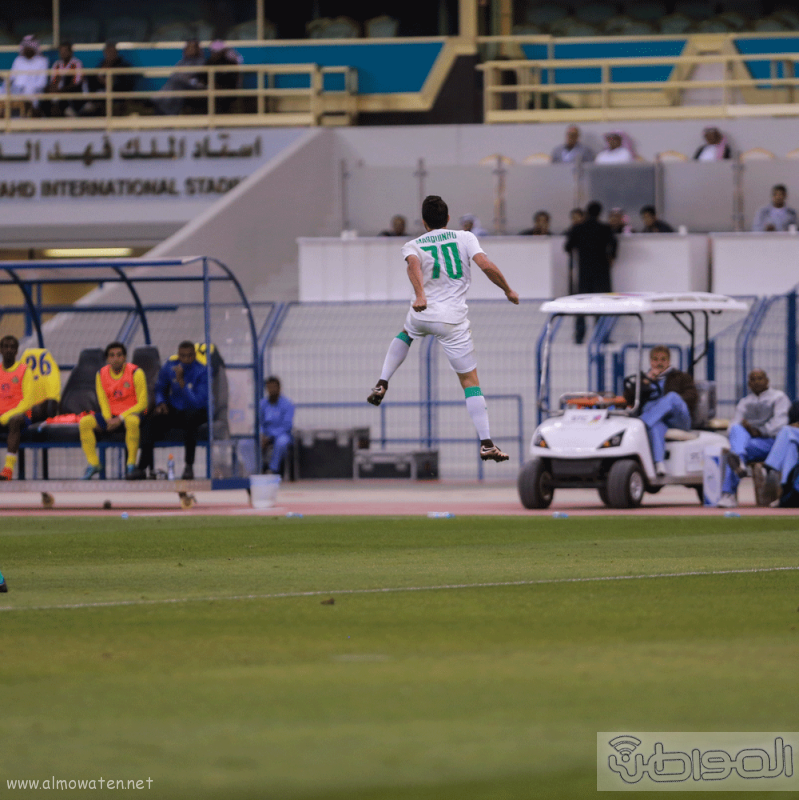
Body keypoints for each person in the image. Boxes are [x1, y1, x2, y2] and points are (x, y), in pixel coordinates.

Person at [366, 195, 519, 463]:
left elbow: (413, 265)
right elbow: (485, 264)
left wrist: (420, 295)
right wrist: (507, 289)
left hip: (422, 312)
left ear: (424, 222)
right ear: (448, 219)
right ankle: (486, 442)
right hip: (452, 321)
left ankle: (382, 381)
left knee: (406, 333)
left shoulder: (412, 244)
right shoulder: (465, 237)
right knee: (470, 382)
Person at [135, 341, 209, 480]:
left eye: (190, 356)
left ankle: (189, 466)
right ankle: (141, 467)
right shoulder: (169, 367)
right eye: (183, 356)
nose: (186, 359)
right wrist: (161, 402)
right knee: (150, 421)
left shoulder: (202, 371)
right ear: (178, 354)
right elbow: (160, 387)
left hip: (197, 411)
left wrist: (182, 382)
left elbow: (196, 401)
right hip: (176, 410)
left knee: (190, 420)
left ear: (194, 355)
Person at [717, 369, 789, 508]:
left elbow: (779, 425)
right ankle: (738, 467)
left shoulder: (778, 397)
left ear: (767, 381)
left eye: (759, 378)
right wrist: (746, 430)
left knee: (737, 450)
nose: (756, 382)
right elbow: (733, 426)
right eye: (752, 379)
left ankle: (729, 490)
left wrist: (756, 430)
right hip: (751, 444)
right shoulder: (745, 402)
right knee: (737, 430)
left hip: (772, 443)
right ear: (749, 383)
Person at [623, 345, 697, 476]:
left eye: (663, 359)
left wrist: (666, 402)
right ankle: (659, 464)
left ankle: (642, 423)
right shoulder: (643, 379)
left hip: (677, 418)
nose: (659, 363)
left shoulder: (681, 377)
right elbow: (629, 398)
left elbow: (692, 396)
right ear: (650, 361)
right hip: (658, 420)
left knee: (672, 397)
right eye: (655, 359)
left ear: (668, 361)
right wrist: (645, 383)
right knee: (656, 426)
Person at [79, 341, 147, 480]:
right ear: (107, 359)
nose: (115, 358)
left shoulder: (136, 372)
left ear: (125, 357)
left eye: (119, 355)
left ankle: (131, 465)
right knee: (85, 422)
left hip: (130, 414)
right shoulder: (101, 374)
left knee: (132, 422)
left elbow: (143, 403)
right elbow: (102, 399)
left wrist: (120, 418)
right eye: (112, 355)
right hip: (111, 415)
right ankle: (94, 464)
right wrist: (108, 419)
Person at [0, 335, 57, 481]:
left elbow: (28, 401)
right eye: (5, 346)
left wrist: (7, 416)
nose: (8, 350)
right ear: (0, 350)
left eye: (12, 347)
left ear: (17, 351)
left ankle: (8, 469)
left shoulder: (25, 370)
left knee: (15, 420)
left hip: (20, 416)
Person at [564, 200, 617, 343]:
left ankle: (579, 335)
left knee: (581, 303)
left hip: (584, 272)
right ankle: (601, 336)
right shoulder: (605, 228)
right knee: (602, 304)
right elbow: (614, 244)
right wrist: (611, 256)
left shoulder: (578, 228)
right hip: (602, 271)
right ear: (600, 213)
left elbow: (567, 247)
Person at [752, 401, 799, 507]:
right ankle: (786, 492)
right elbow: (792, 420)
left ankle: (768, 469)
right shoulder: (796, 405)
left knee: (786, 431)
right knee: (790, 447)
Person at [81, 41, 135, 116]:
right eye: (108, 51)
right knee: (85, 110)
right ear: (104, 53)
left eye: (112, 52)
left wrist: (107, 82)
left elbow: (123, 84)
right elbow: (93, 81)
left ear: (116, 52)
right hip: (99, 95)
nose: (110, 54)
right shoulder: (101, 66)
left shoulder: (123, 66)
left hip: (115, 97)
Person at [155, 39, 206, 116]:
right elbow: (174, 75)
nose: (190, 50)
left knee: (177, 85)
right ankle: (162, 105)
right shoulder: (182, 62)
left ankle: (170, 112)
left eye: (192, 48)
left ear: (197, 49)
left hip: (193, 85)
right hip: (178, 85)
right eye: (188, 48)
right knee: (173, 84)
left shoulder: (200, 61)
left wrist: (182, 78)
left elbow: (194, 77)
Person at [5, 36, 49, 116]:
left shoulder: (42, 61)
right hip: (16, 90)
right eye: (25, 47)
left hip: (34, 91)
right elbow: (11, 77)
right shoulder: (18, 60)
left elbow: (42, 82)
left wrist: (27, 88)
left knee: (28, 92)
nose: (26, 49)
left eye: (29, 47)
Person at [260, 376, 294, 475]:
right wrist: (262, 435)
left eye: (274, 387)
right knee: (246, 443)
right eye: (269, 387)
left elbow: (287, 425)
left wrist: (270, 437)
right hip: (265, 435)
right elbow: (259, 422)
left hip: (281, 434)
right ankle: (254, 469)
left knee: (281, 442)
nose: (271, 390)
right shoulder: (263, 404)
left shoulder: (287, 404)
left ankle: (272, 469)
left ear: (279, 388)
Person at [205, 40, 242, 114]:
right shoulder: (208, 63)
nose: (215, 54)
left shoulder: (230, 63)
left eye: (217, 52)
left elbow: (234, 80)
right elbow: (203, 78)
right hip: (211, 89)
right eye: (213, 52)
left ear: (223, 51)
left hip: (227, 90)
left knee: (222, 98)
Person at [49, 40, 84, 117]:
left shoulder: (76, 63)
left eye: (65, 51)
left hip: (72, 93)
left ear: (70, 52)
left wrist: (61, 91)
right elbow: (53, 81)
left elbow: (75, 83)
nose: (63, 53)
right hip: (58, 93)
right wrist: (54, 91)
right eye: (61, 51)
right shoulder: (57, 64)